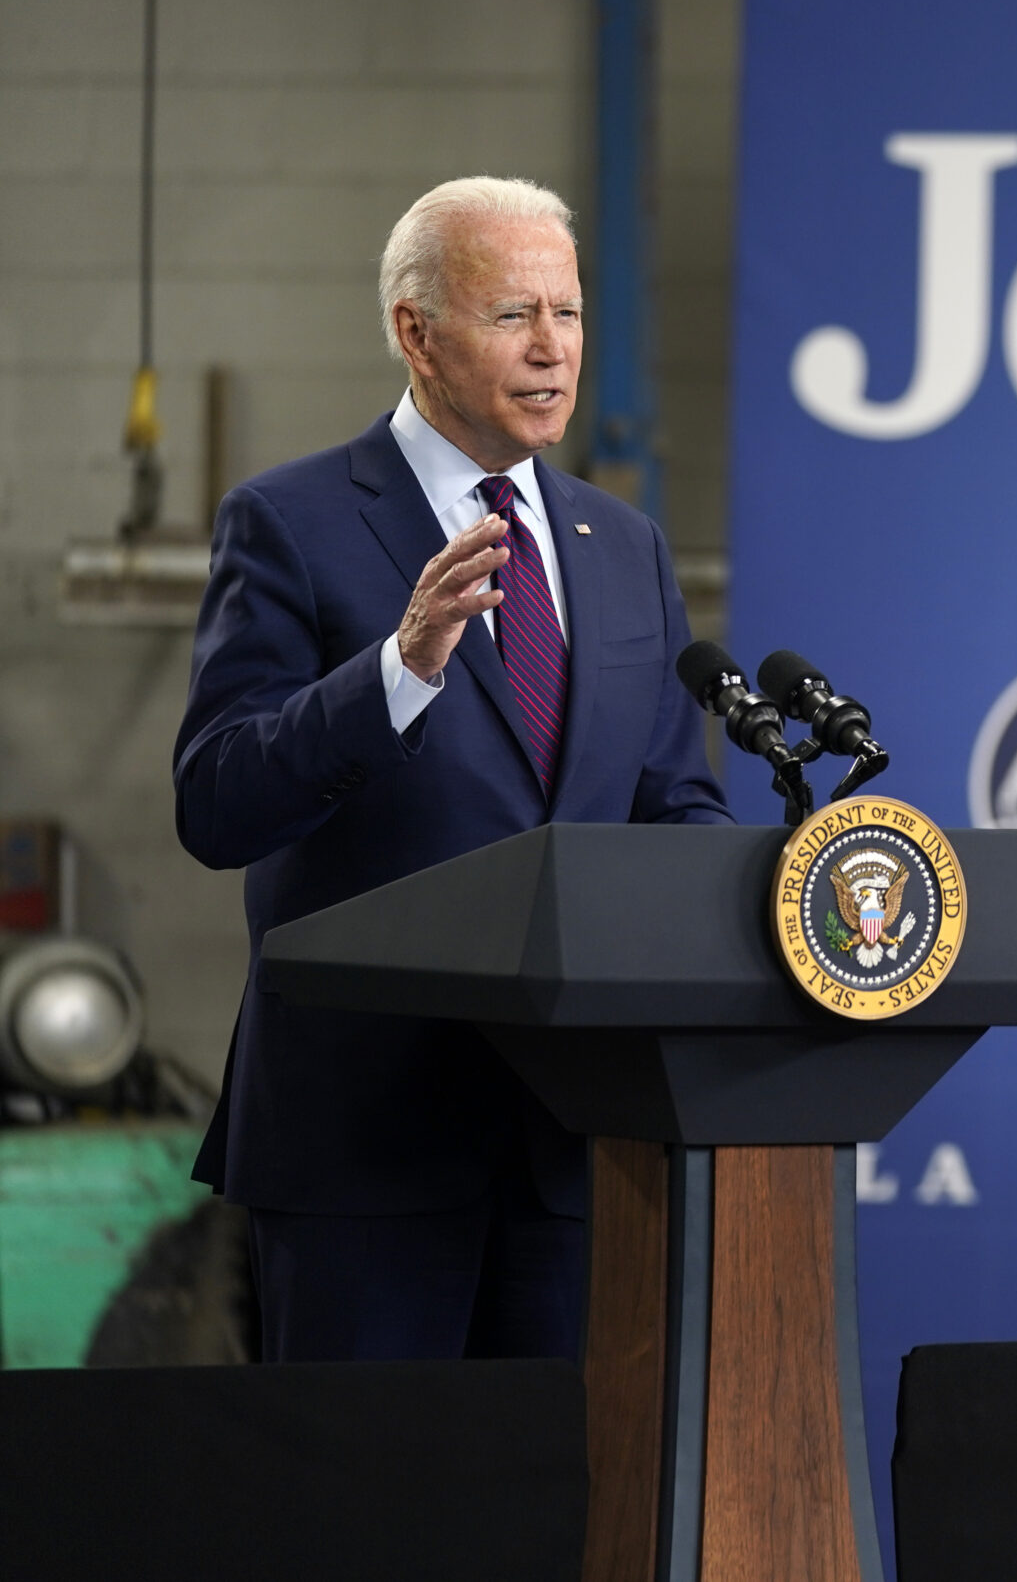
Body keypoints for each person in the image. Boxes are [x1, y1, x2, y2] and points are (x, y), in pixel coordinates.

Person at [174, 177, 731, 1363]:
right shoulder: (291, 521)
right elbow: (218, 800)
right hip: (362, 1145)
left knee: (564, 1517)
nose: (551, 350)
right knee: (366, 1517)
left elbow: (671, 802)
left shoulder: (620, 543)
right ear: (416, 332)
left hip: (579, 1142)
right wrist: (400, 669)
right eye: (512, 315)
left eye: (569, 315)